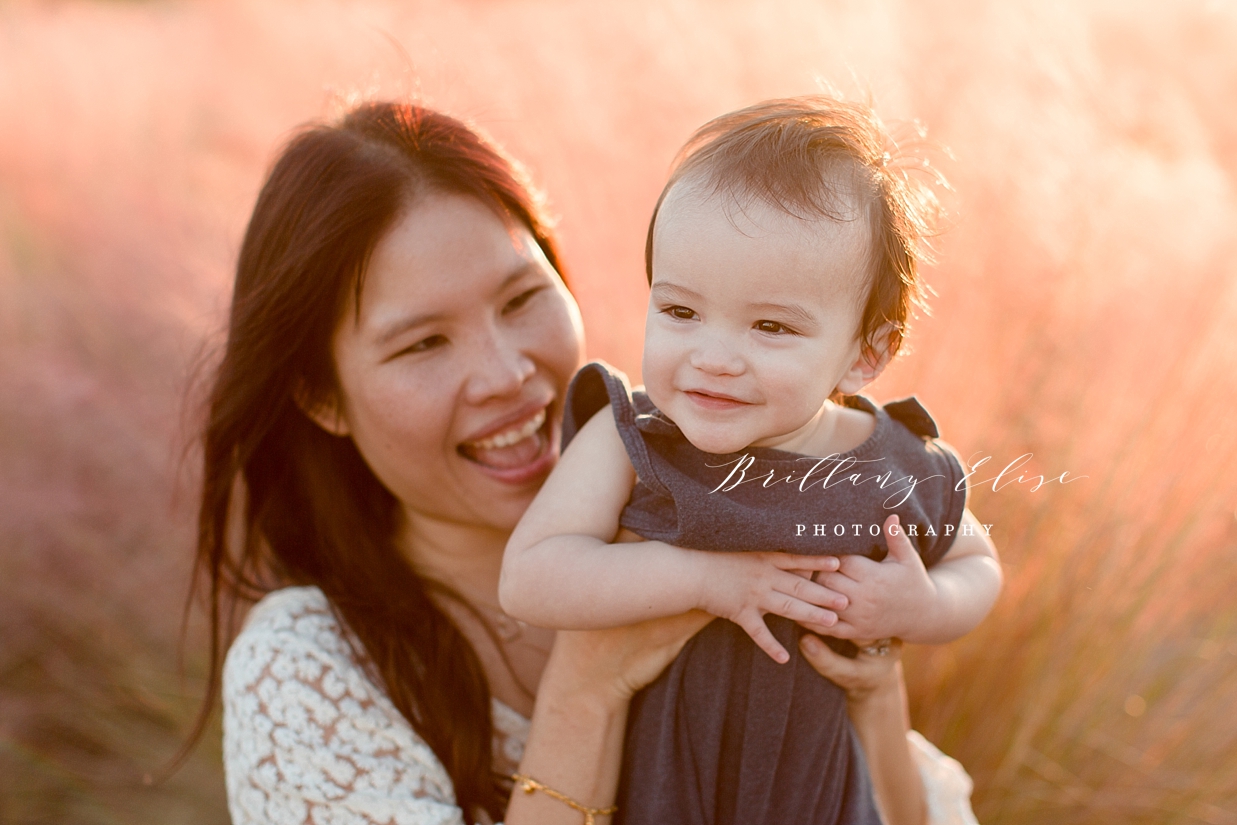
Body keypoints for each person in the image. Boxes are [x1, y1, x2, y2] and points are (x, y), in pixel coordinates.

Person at [192, 101, 970, 825]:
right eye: (423, 342)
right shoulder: (304, 675)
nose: (506, 374)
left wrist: (874, 687)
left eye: (520, 298)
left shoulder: (734, 496)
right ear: (320, 395)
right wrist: (586, 691)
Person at [500, 97, 1002, 825]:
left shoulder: (887, 465)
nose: (711, 358)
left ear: (865, 354)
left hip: (819, 799)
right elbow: (531, 574)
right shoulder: (634, 439)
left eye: (769, 326)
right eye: (679, 312)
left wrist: (922, 605)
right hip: (661, 791)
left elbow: (977, 564)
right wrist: (703, 576)